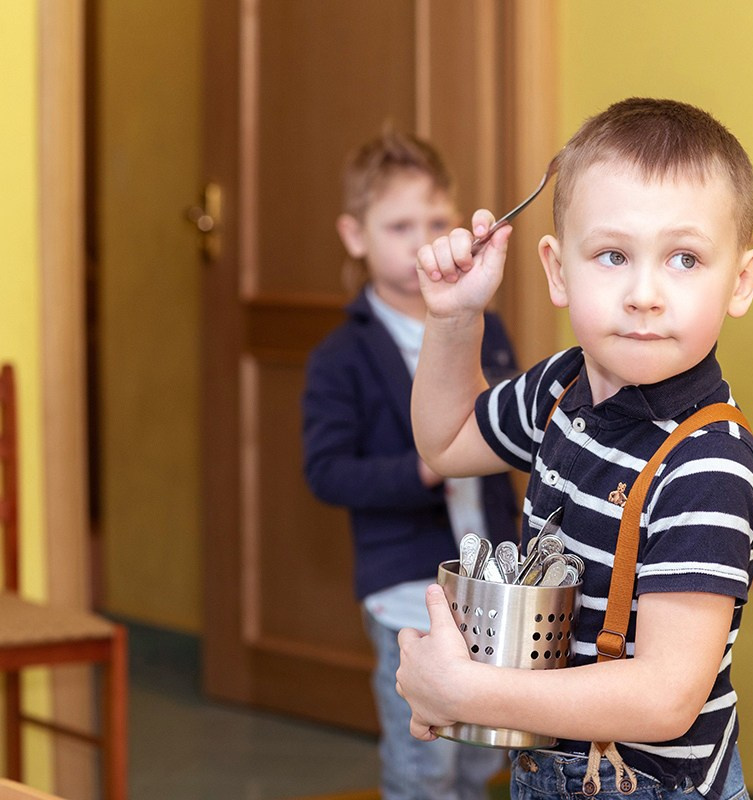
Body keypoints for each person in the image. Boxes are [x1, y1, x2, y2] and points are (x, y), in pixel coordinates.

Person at [394, 97, 753, 800]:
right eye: (612, 255)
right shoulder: (560, 388)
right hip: (553, 771)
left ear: (741, 281)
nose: (645, 294)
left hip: (654, 784)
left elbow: (664, 697)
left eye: (685, 258)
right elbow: (446, 441)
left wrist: (464, 690)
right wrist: (453, 319)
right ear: (559, 270)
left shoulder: (709, 464)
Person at [302, 127, 519, 800]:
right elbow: (328, 470)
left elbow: (507, 428)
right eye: (399, 225)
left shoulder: (485, 325)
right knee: (423, 755)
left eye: (435, 221)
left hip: (493, 583)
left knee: (484, 748)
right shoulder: (341, 356)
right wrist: (428, 464)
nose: (421, 239)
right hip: (404, 585)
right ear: (354, 235)